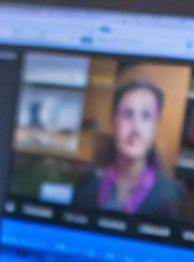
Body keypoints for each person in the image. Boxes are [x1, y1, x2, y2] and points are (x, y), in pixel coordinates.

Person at [72, 77, 182, 218]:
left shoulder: (171, 195)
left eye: (146, 116)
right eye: (128, 114)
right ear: (114, 120)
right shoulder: (86, 185)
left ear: (156, 125)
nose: (136, 128)